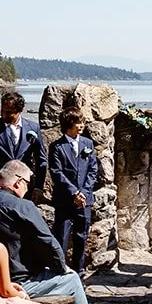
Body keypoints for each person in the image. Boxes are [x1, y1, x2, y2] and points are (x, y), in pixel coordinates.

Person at [0, 159, 119, 304]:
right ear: (18, 182)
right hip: (19, 282)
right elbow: (48, 242)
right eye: (28, 182)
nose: (28, 188)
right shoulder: (21, 206)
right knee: (72, 279)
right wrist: (61, 267)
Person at [48, 110, 98, 275]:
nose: (82, 125)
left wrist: (83, 192)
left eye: (82, 122)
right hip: (65, 201)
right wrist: (74, 193)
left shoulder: (88, 144)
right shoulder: (56, 147)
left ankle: (79, 271)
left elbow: (92, 169)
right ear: (68, 125)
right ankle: (60, 271)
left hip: (84, 201)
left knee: (81, 237)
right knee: (61, 236)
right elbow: (57, 172)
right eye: (78, 123)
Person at [0, 90, 46, 198]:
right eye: (2, 110)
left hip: (25, 190)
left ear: (20, 110)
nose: (3, 114)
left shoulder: (33, 128)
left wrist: (38, 187)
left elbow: (41, 160)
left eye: (9, 112)